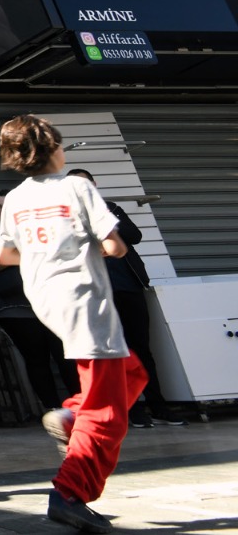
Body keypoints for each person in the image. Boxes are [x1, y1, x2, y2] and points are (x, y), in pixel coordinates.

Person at [0, 116, 146, 534]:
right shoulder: (79, 186)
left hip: (48, 300)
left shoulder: (13, 199)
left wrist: (47, 252)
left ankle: (69, 416)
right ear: (52, 149)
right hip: (87, 301)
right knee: (108, 413)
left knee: (131, 372)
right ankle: (69, 493)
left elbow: (5, 255)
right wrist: (79, 244)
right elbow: (115, 245)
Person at [65, 169, 184, 430]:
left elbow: (134, 236)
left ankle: (159, 406)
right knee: (115, 354)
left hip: (129, 287)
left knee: (142, 348)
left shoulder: (111, 209)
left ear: (94, 185)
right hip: (97, 296)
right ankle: (133, 409)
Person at [0, 192, 78, 412]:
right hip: (15, 308)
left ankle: (82, 408)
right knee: (36, 358)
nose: (2, 210)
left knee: (66, 356)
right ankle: (53, 410)